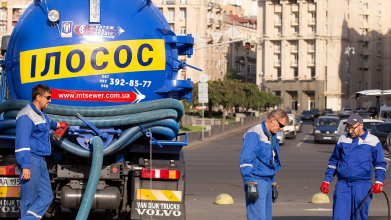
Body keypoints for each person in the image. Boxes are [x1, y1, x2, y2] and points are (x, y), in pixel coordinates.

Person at [15, 84, 68, 219]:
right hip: (31, 160)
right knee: (29, 200)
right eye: (48, 97)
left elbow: (48, 123)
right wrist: (25, 166)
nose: (50, 100)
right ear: (38, 97)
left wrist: (59, 125)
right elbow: (22, 143)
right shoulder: (26, 115)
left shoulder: (41, 114)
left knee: (46, 196)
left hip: (41, 161)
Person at [320, 113, 386, 220]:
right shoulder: (342, 139)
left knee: (359, 217)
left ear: (361, 125)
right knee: (339, 217)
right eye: (348, 128)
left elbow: (380, 163)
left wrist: (379, 181)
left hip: (362, 186)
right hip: (342, 186)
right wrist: (327, 181)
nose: (350, 131)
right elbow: (334, 161)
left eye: (353, 128)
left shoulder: (373, 141)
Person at [239, 109, 288, 220]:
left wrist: (273, 181)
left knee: (266, 217)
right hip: (256, 181)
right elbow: (245, 160)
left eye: (283, 127)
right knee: (257, 217)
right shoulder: (255, 133)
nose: (281, 129)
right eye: (280, 125)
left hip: (267, 180)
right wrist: (249, 181)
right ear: (273, 119)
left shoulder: (272, 136)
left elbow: (271, 160)